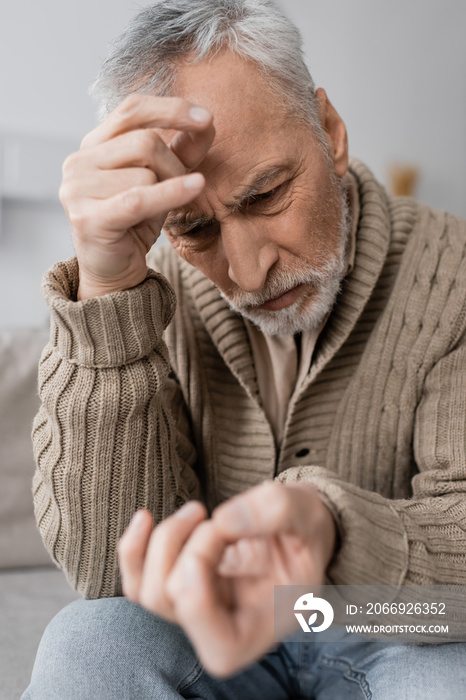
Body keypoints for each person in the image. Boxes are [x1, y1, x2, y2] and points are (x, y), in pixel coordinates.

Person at [23, 1, 466, 698]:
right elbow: (104, 574)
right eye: (195, 230)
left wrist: (329, 527)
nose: (250, 271)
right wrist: (106, 292)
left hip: (395, 621)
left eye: (266, 194)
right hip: (209, 630)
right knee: (88, 643)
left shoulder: (455, 272)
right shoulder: (146, 288)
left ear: (330, 132)